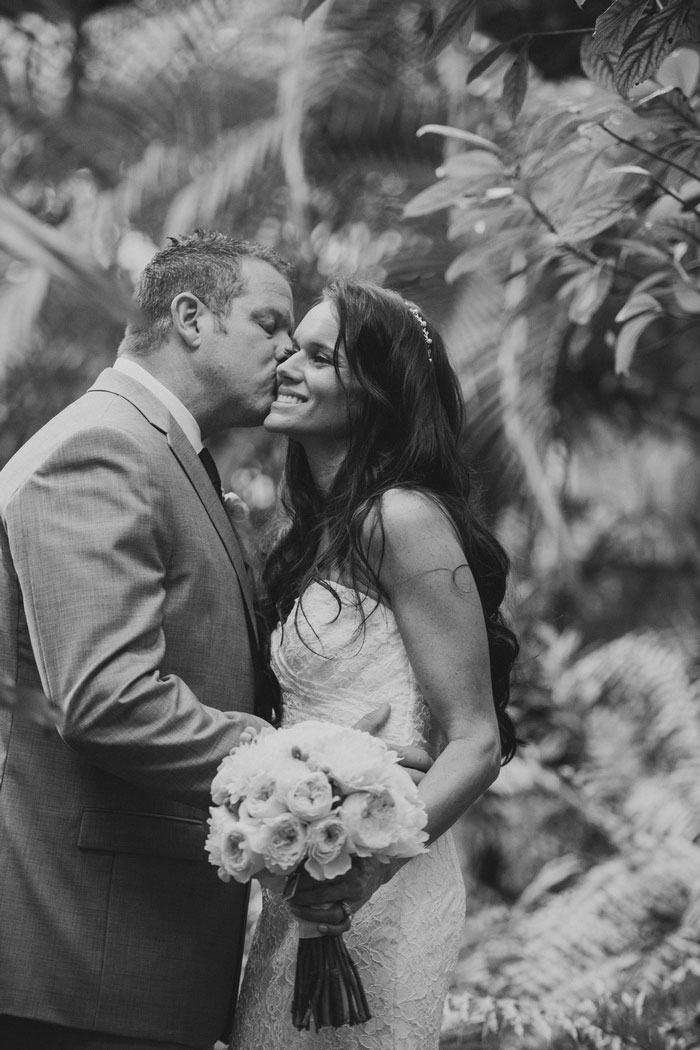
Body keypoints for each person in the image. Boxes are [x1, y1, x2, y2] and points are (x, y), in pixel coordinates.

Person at [0, 233, 396, 1050]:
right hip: (86, 962)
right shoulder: (103, 448)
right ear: (189, 317)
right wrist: (295, 767)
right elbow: (110, 701)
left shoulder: (164, 453)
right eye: (267, 321)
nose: (288, 349)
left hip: (129, 956)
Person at [231, 279, 519, 1049]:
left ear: (377, 398)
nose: (287, 365)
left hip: (380, 883)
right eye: (294, 348)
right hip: (303, 879)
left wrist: (367, 872)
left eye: (318, 357)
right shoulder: (317, 534)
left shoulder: (403, 517)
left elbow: (475, 743)